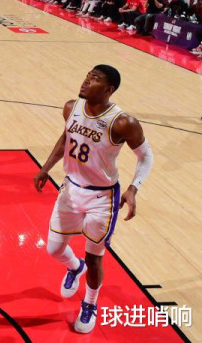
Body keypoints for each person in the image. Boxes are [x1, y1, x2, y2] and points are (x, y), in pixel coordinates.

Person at [33, 65, 153, 334]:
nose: (87, 81)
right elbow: (65, 138)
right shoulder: (71, 107)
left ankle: (90, 303)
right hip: (70, 189)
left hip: (102, 197)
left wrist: (134, 188)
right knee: (53, 249)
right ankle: (74, 267)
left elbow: (146, 156)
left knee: (94, 257)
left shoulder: (123, 122)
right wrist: (45, 168)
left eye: (95, 79)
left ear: (109, 90)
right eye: (87, 75)